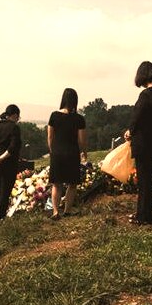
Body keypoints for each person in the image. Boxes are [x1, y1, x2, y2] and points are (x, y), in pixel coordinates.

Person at [124, 61, 152, 225]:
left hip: (143, 142)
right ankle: (144, 213)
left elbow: (137, 116)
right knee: (149, 180)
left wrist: (130, 131)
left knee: (143, 182)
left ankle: (143, 217)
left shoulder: (146, 94)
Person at [47, 88, 87, 220]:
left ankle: (55, 211)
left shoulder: (54, 116)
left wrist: (52, 150)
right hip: (72, 153)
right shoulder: (79, 119)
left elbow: (50, 137)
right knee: (72, 183)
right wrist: (83, 152)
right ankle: (67, 210)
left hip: (57, 153)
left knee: (56, 183)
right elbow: (81, 140)